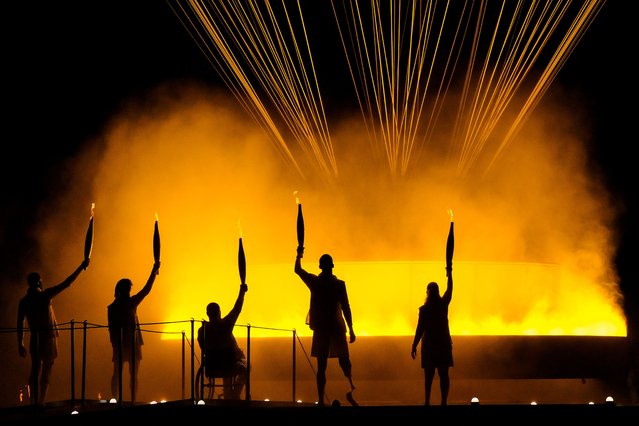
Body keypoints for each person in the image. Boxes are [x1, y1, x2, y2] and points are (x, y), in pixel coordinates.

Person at [17, 258, 91, 406]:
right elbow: (67, 283)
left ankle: (33, 401)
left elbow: (19, 323)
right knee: (46, 369)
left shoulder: (24, 301)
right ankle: (41, 401)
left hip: (34, 338)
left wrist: (20, 343)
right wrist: (80, 267)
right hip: (49, 337)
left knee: (35, 369)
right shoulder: (45, 295)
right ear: (39, 282)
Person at [294, 247, 357, 406]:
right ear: (332, 266)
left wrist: (299, 254)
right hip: (336, 327)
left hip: (322, 328)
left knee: (322, 365)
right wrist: (351, 329)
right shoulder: (339, 285)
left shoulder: (315, 282)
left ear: (321, 267)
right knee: (343, 359)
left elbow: (297, 269)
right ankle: (350, 384)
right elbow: (346, 307)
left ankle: (321, 399)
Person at [107, 260, 160, 403]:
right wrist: (154, 272)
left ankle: (115, 399)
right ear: (126, 290)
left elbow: (110, 329)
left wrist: (114, 344)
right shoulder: (130, 303)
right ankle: (132, 400)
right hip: (131, 342)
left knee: (117, 372)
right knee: (133, 374)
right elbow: (146, 290)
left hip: (119, 343)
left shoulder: (112, 307)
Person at [197, 283, 249, 400]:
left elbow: (203, 348)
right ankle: (236, 392)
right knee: (247, 365)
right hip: (229, 366)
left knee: (229, 358)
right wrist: (242, 292)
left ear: (207, 314)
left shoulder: (202, 330)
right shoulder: (226, 324)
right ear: (219, 312)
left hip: (211, 367)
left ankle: (228, 393)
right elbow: (237, 308)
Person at [411, 267, 454, 406]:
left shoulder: (424, 310)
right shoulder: (443, 305)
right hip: (442, 344)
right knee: (443, 375)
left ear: (427, 292)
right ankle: (443, 402)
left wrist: (414, 345)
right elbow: (450, 290)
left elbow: (419, 329)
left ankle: (428, 402)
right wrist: (450, 274)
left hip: (429, 345)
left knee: (429, 376)